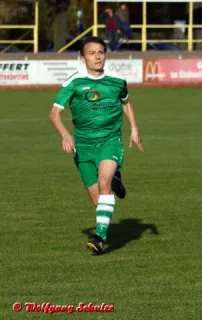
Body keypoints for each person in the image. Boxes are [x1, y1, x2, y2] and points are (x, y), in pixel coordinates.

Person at [49, 36, 144, 254]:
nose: (97, 56)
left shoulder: (117, 80)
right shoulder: (72, 83)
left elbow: (126, 103)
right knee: (99, 199)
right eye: (91, 53)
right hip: (82, 146)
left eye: (100, 52)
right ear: (82, 58)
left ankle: (100, 238)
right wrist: (65, 135)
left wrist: (135, 130)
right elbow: (54, 114)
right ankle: (115, 179)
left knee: (104, 183)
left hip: (109, 140)